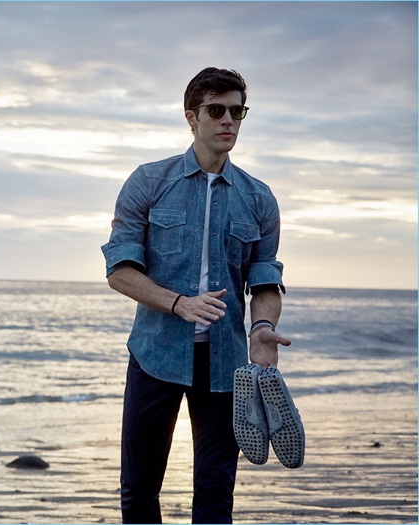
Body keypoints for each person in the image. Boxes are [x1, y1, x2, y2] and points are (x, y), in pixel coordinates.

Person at [101, 67, 291, 524]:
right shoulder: (149, 181)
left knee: (214, 493)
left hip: (226, 368)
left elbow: (264, 281)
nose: (229, 120)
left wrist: (262, 327)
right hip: (155, 357)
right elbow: (120, 271)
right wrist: (178, 303)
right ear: (192, 117)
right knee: (140, 489)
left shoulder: (259, 198)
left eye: (238, 111)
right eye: (217, 110)